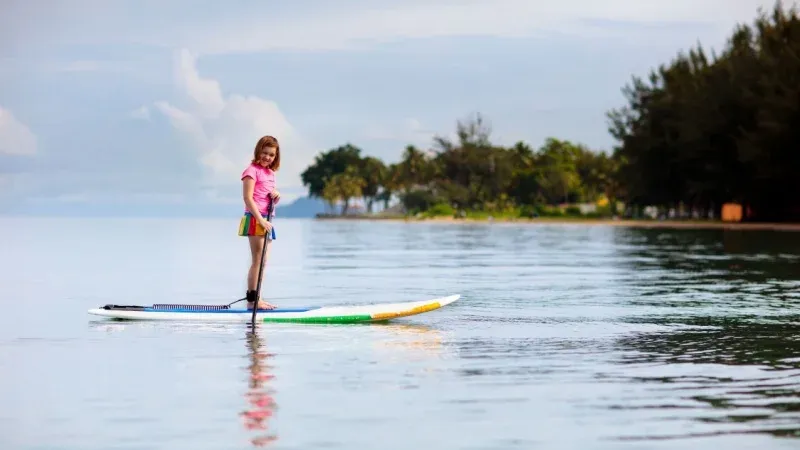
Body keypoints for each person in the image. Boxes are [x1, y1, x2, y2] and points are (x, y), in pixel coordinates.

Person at [238, 135, 281, 310]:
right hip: (256, 219)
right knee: (257, 260)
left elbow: (265, 196)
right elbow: (248, 199)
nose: (267, 157)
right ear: (258, 151)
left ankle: (258, 299)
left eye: (271, 155)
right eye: (264, 153)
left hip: (267, 220)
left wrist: (276, 196)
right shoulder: (251, 171)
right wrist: (261, 220)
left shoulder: (270, 173)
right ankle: (252, 301)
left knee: (263, 262)